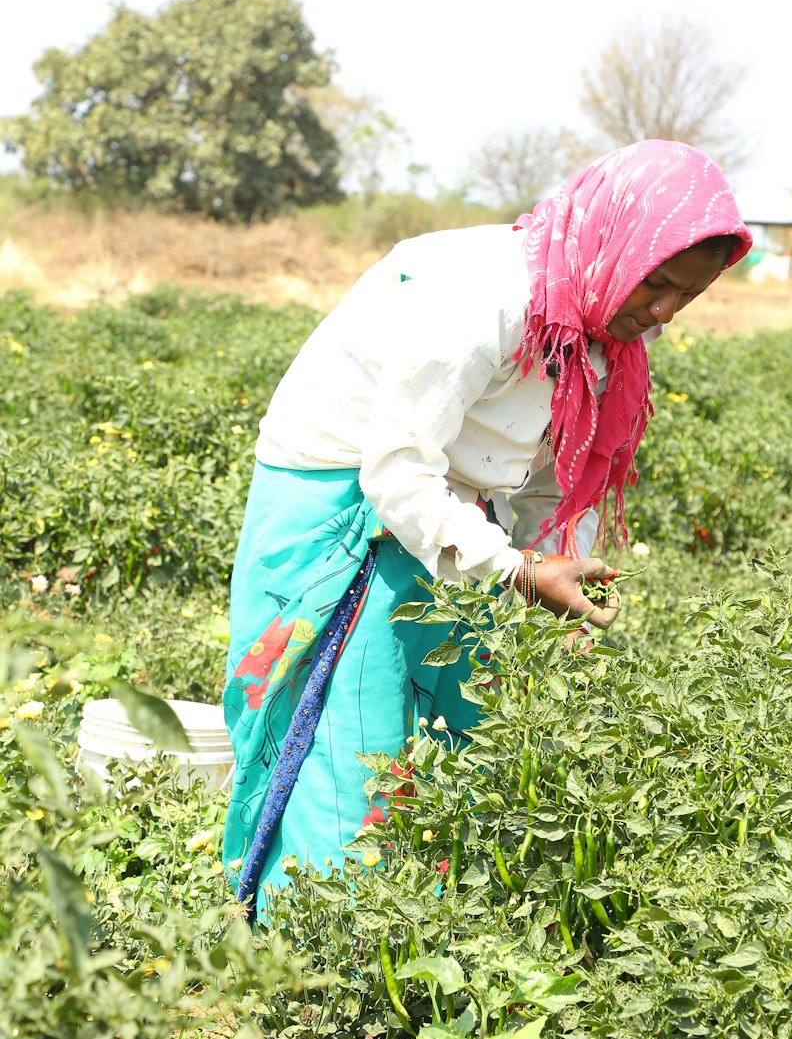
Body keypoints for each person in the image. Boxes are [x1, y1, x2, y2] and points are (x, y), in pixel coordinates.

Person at [222, 140, 751, 920]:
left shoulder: (604, 320)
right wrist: (515, 573)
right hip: (345, 493)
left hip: (447, 500)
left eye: (689, 296)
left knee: (474, 724)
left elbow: (549, 470)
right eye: (660, 283)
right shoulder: (486, 298)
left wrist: (550, 568)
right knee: (353, 742)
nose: (665, 311)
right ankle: (307, 963)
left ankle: (431, 941)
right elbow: (397, 471)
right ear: (617, 243)